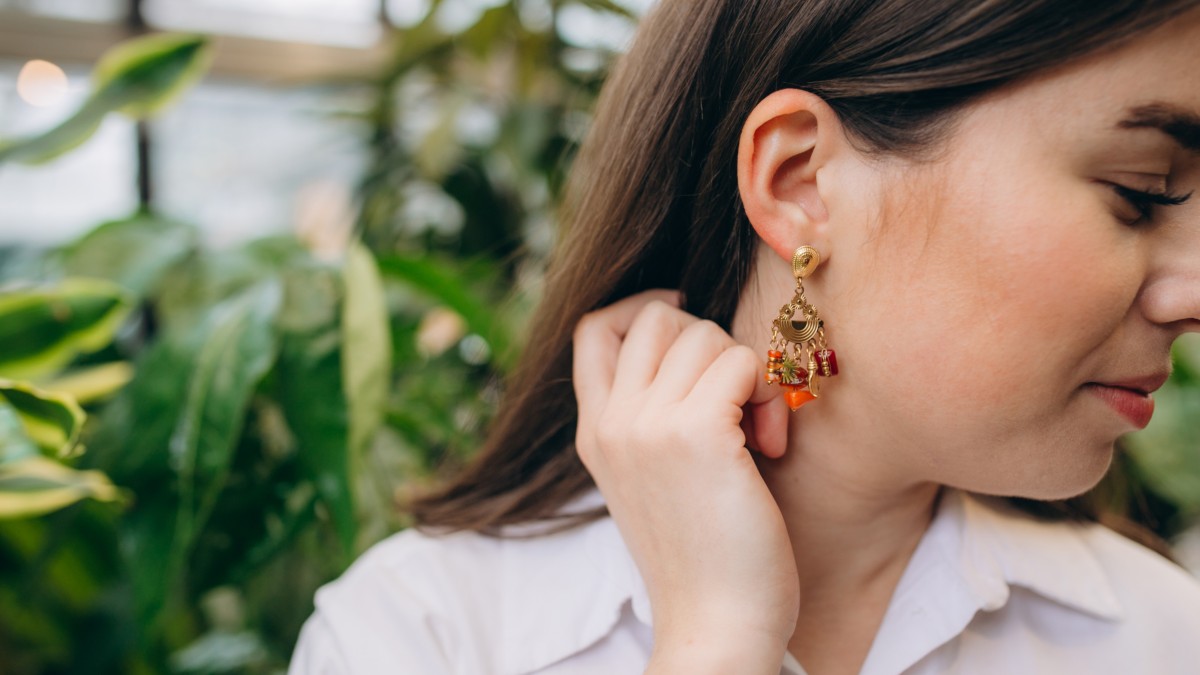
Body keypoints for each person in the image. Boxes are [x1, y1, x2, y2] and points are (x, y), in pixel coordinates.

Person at [289, 0, 1200, 672]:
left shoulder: (1160, 635)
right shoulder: (423, 634)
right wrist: (717, 636)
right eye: (1146, 190)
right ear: (801, 180)